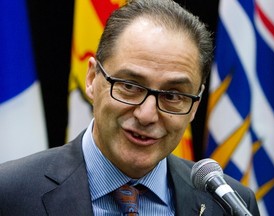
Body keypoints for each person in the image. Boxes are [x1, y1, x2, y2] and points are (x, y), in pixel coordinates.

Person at [0, 0, 260, 215]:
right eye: (129, 86)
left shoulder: (228, 204)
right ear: (92, 80)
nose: (147, 115)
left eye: (172, 95)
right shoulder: (10, 193)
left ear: (194, 107)